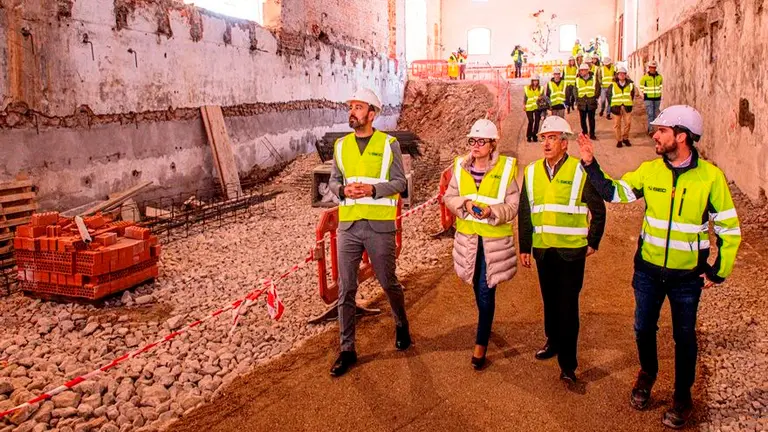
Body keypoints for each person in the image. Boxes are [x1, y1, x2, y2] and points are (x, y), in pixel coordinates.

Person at [577, 105, 742, 429]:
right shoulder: (650, 171)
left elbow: (729, 229)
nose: (655, 135)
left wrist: (717, 271)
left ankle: (682, 397)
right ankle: (647, 374)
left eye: (662, 131)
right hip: (648, 271)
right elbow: (614, 192)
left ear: (682, 136)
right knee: (643, 328)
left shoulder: (711, 178)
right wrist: (590, 164)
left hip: (687, 278)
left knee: (684, 337)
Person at [328, 88, 412, 377]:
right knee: (346, 288)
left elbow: (400, 183)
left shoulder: (389, 144)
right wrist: (342, 190)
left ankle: (401, 323)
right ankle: (347, 349)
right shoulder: (341, 146)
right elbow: (333, 182)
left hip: (379, 226)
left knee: (388, 282)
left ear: (372, 114)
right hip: (349, 226)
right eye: (351, 107)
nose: (352, 112)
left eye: (358, 107)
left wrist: (373, 190)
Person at [518, 116, 606, 384]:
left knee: (567, 306)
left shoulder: (580, 171)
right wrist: (525, 245)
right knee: (549, 301)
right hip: (544, 250)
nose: (546, 143)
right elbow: (525, 211)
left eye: (552, 138)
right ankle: (553, 341)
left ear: (564, 143)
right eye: (544, 138)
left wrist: (593, 241)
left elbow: (598, 209)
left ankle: (568, 364)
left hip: (571, 252)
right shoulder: (532, 171)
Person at [444, 119, 520, 370]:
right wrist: (465, 204)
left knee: (486, 290)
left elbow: (513, 206)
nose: (475, 146)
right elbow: (449, 197)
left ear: (492, 145)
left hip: (493, 243)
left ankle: (480, 344)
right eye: (472, 141)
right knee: (477, 285)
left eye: (481, 141)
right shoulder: (460, 167)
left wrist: (491, 211)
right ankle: (485, 323)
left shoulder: (505, 169)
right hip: (468, 240)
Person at [609, 66, 636, 148]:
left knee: (628, 123)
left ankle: (625, 138)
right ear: (617, 75)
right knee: (617, 125)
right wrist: (612, 105)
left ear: (625, 75)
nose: (621, 75)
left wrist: (629, 102)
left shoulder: (630, 84)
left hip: (627, 106)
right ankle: (619, 140)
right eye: (620, 74)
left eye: (623, 73)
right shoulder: (613, 85)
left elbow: (632, 95)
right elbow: (609, 95)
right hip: (616, 107)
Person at [575, 63, 600, 140]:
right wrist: (577, 99)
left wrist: (595, 97)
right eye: (581, 70)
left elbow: (598, 88)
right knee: (582, 120)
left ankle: (592, 134)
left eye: (583, 70)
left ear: (587, 71)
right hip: (581, 102)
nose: (582, 72)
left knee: (591, 119)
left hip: (591, 102)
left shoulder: (594, 79)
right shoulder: (577, 80)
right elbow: (575, 90)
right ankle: (585, 132)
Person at [640, 61, 663, 135]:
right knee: (650, 114)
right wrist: (645, 93)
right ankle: (651, 130)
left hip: (657, 98)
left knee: (655, 114)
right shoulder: (645, 77)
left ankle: (654, 128)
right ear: (649, 68)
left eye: (654, 68)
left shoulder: (659, 77)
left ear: (655, 68)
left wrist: (659, 93)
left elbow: (660, 86)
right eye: (651, 67)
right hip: (648, 98)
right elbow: (641, 86)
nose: (652, 69)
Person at [524, 75, 543, 142]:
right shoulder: (527, 88)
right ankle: (529, 136)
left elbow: (542, 98)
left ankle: (534, 135)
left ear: (538, 81)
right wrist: (524, 105)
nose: (535, 82)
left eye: (536, 81)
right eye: (534, 81)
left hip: (537, 107)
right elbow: (525, 97)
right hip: (529, 107)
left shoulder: (541, 89)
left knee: (537, 122)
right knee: (531, 121)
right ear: (532, 81)